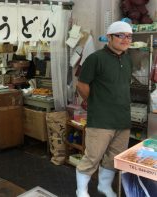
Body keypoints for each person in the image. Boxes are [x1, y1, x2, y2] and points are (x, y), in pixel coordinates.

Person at [76, 21, 133, 197]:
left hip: (122, 118)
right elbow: (81, 85)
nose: (126, 39)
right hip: (101, 119)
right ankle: (81, 190)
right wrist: (95, 102)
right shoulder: (95, 58)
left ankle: (104, 186)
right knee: (92, 157)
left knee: (114, 157)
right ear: (109, 37)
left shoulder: (127, 58)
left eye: (129, 36)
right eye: (121, 35)